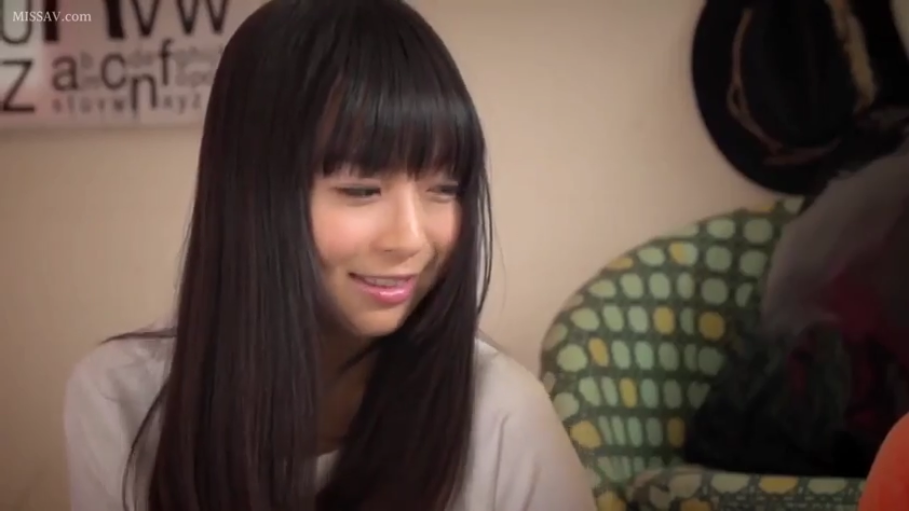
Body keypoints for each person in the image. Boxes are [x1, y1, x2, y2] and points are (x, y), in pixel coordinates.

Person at [61, 1, 597, 510]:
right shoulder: (121, 397)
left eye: (443, 189)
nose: (410, 239)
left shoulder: (503, 414)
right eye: (361, 190)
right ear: (252, 196)